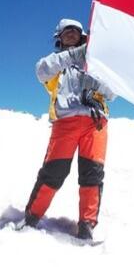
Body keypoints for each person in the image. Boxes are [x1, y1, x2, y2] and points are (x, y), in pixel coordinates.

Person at [23, 18, 115, 240]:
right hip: (65, 123)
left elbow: (112, 92)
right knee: (54, 173)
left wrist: (95, 86)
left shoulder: (96, 64)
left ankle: (87, 224)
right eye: (66, 33)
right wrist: (75, 55)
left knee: (92, 175)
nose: (71, 34)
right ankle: (32, 217)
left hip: (96, 123)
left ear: (82, 35)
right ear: (59, 38)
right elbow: (41, 72)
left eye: (75, 31)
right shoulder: (56, 63)